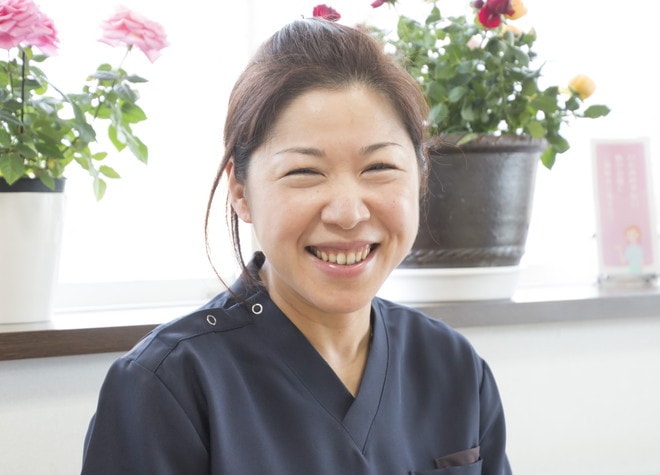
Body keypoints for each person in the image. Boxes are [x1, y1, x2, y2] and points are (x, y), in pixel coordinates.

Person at [81, 18, 512, 475]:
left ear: (421, 176)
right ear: (241, 192)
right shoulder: (167, 386)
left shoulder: (453, 366)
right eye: (304, 172)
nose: (347, 213)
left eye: (379, 167)